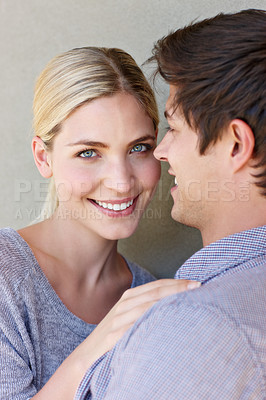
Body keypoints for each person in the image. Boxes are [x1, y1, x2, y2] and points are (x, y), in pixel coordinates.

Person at [74, 9, 266, 400]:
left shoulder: (197, 327)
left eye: (173, 129)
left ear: (235, 145)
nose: (161, 152)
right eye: (89, 152)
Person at [0, 47, 199, 400]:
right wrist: (95, 348)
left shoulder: (150, 294)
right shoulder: (6, 276)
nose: (122, 182)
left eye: (139, 148)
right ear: (43, 158)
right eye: (89, 153)